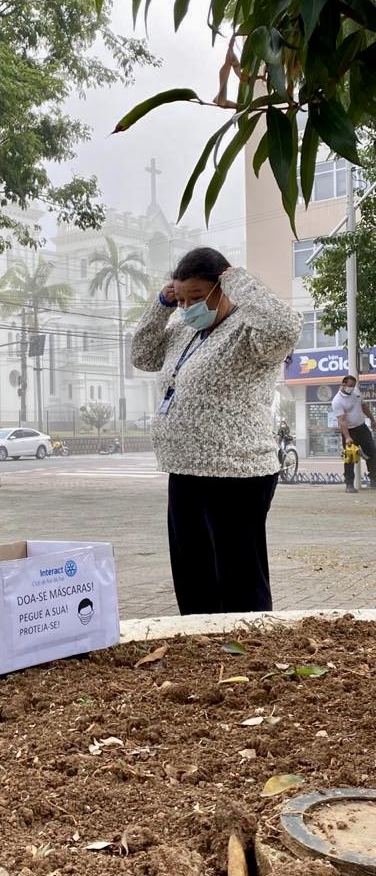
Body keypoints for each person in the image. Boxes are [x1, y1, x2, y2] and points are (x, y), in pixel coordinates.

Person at [131, 247, 302, 616]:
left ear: (223, 289)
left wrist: (237, 277)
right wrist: (161, 303)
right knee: (193, 572)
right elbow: (142, 356)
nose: (189, 306)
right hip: (185, 468)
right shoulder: (183, 332)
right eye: (182, 298)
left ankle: (248, 646)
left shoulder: (251, 333)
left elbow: (285, 325)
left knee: (238, 574)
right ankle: (199, 643)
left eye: (197, 297)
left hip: (236, 472)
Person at [331, 374, 376, 492]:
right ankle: (349, 484)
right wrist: (347, 437)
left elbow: (364, 406)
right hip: (349, 431)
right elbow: (342, 421)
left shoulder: (355, 391)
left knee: (372, 453)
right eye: (350, 385)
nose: (352, 388)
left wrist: (372, 419)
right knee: (349, 458)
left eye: (353, 385)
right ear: (344, 384)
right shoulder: (337, 401)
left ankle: (374, 480)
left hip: (362, 428)